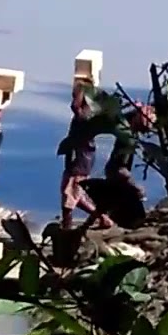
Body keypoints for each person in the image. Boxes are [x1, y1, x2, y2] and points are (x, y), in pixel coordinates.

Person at [57, 83, 115, 231]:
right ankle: (102, 218)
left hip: (80, 159)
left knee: (69, 192)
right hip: (78, 157)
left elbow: (75, 108)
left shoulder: (86, 115)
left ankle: (67, 228)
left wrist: (80, 89)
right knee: (75, 193)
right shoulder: (88, 113)